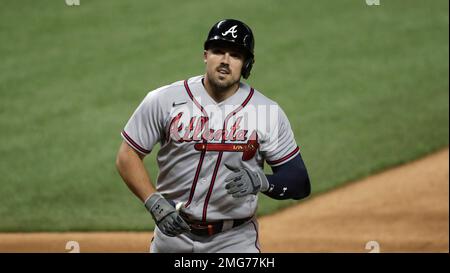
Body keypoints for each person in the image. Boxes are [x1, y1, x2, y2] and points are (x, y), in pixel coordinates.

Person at [115, 19, 311, 253]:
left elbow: (299, 181)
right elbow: (127, 155)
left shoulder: (266, 112)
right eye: (218, 51)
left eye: (236, 55)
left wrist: (262, 181)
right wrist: (154, 202)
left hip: (234, 242)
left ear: (247, 64)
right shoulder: (164, 100)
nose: (225, 61)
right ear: (205, 55)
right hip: (172, 237)